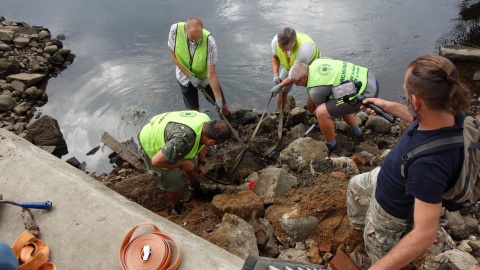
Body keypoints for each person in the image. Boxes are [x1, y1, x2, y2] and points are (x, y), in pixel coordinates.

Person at [346, 55, 471, 269]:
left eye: (405, 90)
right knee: (356, 184)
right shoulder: (453, 113)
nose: (404, 92)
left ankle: (375, 255)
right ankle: (361, 229)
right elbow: (423, 118)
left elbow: (425, 235)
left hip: (391, 211)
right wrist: (388, 106)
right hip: (389, 177)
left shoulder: (429, 166)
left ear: (415, 102)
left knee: (377, 241)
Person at [138, 110, 233, 214]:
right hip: (152, 143)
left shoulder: (205, 122)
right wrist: (183, 164)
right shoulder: (183, 141)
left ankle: (195, 188)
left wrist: (201, 163)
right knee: (174, 182)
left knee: (193, 162)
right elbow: (156, 161)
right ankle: (177, 207)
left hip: (172, 135)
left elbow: (204, 144)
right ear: (212, 142)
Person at [284, 58, 379, 152]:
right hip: (369, 78)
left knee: (321, 112)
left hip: (367, 94)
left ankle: (331, 145)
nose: (296, 85)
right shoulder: (318, 62)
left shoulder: (316, 92)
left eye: (296, 82)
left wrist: (314, 116)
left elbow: (323, 108)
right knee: (338, 100)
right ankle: (357, 133)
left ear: (304, 77)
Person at [168, 17, 231, 117]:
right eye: (192, 39)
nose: (194, 42)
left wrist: (218, 100)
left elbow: (211, 74)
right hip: (183, 75)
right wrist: (189, 76)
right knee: (193, 111)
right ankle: (199, 128)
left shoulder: (210, 42)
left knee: (222, 106)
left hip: (204, 75)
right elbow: (174, 57)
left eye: (197, 39)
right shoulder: (175, 31)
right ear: (185, 29)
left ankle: (230, 123)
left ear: (203, 29)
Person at [270, 27, 320, 123]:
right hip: (289, 66)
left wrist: (279, 85)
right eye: (281, 48)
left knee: (312, 93)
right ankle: (280, 114)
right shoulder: (276, 41)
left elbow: (294, 76)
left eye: (286, 49)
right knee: (282, 90)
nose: (284, 51)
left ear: (294, 42)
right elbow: (275, 57)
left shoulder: (304, 50)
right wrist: (276, 75)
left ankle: (309, 116)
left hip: (311, 68)